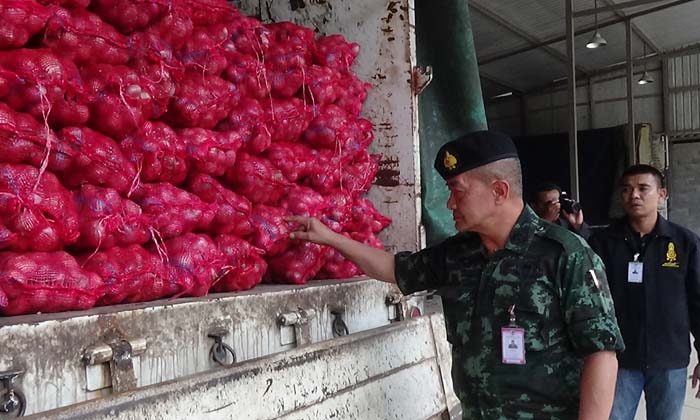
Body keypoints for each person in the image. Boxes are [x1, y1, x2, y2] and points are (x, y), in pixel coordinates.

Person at [288, 130, 624, 419]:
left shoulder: (565, 255)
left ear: (499, 191)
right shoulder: (458, 253)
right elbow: (394, 269)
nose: (449, 203)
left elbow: (601, 353)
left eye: (457, 190)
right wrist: (331, 238)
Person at [589, 164, 700, 420]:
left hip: (669, 360)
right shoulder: (602, 244)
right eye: (626, 190)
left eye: (643, 188)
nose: (634, 195)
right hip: (617, 360)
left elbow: (697, 302)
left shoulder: (684, 243)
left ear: (662, 194)